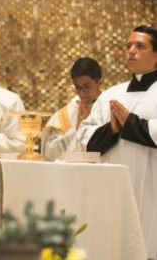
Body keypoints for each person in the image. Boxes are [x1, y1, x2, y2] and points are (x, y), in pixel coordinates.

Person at [78, 25, 157, 258]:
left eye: (140, 46)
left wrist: (132, 124)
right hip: (113, 190)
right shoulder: (111, 94)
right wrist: (111, 130)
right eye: (129, 46)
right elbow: (84, 135)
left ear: (156, 55)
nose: (131, 51)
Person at [41, 57, 103, 160]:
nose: (82, 94)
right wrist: (76, 130)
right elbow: (49, 153)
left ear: (100, 83)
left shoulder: (108, 108)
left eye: (87, 87)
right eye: (77, 88)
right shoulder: (64, 115)